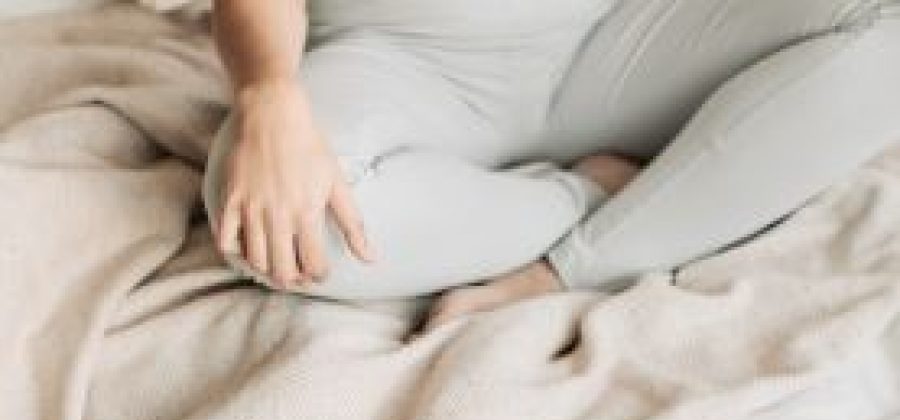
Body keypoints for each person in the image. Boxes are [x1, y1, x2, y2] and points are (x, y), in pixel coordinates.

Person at [204, 0, 900, 327]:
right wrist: (268, 91)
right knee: (272, 223)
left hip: (616, 36)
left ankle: (579, 263)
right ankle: (594, 193)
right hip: (404, 60)